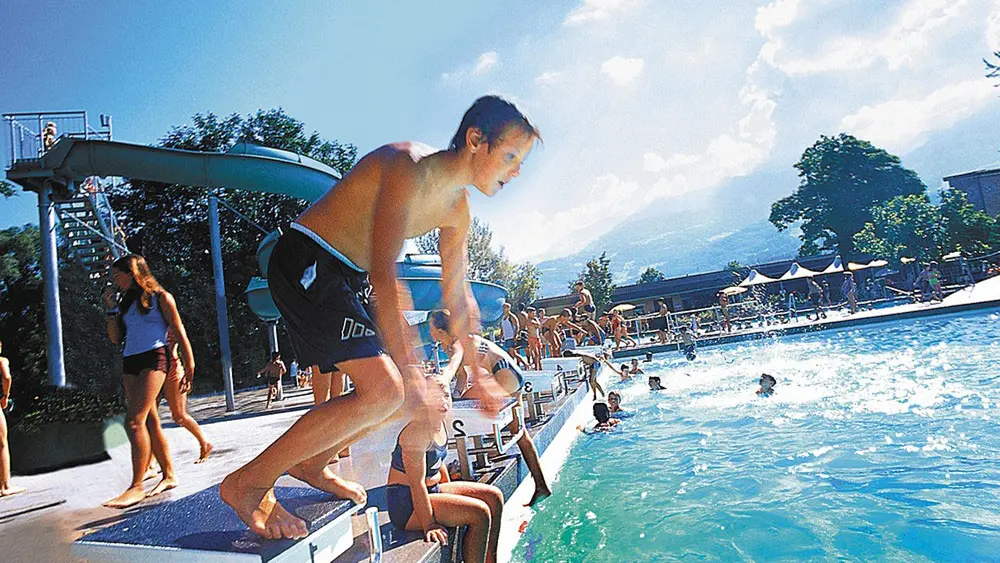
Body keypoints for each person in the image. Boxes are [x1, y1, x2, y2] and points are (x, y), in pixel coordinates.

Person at [220, 96, 539, 539]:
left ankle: (312, 462)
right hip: (307, 258)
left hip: (343, 277)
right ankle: (247, 483)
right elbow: (386, 274)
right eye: (510, 156)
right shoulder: (406, 165)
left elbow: (457, 295)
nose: (517, 170)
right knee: (387, 389)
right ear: (474, 141)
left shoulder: (457, 210)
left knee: (390, 395)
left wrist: (476, 369)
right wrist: (410, 368)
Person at [428, 310, 551, 506]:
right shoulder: (451, 344)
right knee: (518, 432)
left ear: (441, 330)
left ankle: (458, 472)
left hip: (504, 374)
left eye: (431, 327)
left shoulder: (462, 341)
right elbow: (462, 378)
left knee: (453, 417)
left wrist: (448, 387)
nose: (429, 332)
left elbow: (466, 369)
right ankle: (541, 485)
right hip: (505, 375)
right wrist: (456, 398)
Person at [387, 364, 504, 563]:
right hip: (407, 504)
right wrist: (429, 524)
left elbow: (439, 463)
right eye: (435, 396)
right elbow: (417, 484)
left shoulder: (440, 422)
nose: (443, 402)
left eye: (446, 395)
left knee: (494, 497)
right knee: (480, 513)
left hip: (432, 490)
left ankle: (490, 559)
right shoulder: (417, 432)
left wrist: (450, 496)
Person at [102, 254, 190, 508]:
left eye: (116, 275)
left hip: (156, 357)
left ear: (131, 272)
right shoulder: (125, 303)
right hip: (131, 360)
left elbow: (179, 330)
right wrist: (110, 309)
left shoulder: (160, 297)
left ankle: (136, 486)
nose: (113, 281)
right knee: (149, 421)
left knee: (134, 421)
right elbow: (116, 338)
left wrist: (190, 365)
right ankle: (169, 475)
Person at [161, 333, 212, 463]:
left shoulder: (169, 322)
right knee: (149, 418)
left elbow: (185, 346)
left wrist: (189, 375)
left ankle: (204, 444)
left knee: (179, 415)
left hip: (172, 370)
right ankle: (154, 459)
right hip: (151, 371)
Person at [0, 340, 26, 498]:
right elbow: (7, 377)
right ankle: (5, 486)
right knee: (2, 444)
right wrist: (5, 396)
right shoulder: (2, 360)